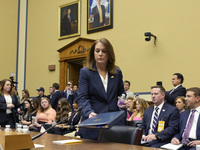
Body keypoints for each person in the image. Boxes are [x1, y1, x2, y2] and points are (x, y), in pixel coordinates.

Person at [76, 38, 125, 140]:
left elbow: (121, 93)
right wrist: (89, 112)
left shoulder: (117, 72)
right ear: (93, 53)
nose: (100, 54)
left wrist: (122, 101)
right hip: (94, 120)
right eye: (97, 51)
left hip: (114, 122)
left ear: (109, 54)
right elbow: (82, 97)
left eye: (104, 51)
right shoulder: (85, 72)